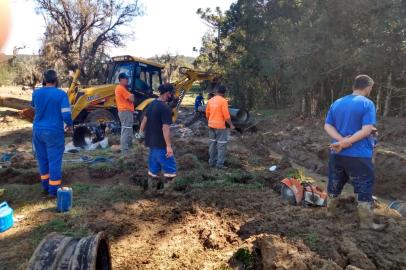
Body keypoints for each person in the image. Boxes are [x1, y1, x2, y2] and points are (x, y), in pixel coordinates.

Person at [324, 74, 386, 231]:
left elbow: (327, 126)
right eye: (371, 88)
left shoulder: (337, 102)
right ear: (368, 87)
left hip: (337, 153)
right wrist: (346, 142)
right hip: (359, 155)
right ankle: (366, 222)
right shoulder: (367, 104)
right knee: (364, 185)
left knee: (335, 182)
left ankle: (330, 213)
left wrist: (340, 141)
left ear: (354, 86)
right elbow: (365, 130)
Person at [32, 69, 73, 197]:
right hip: (54, 131)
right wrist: (70, 125)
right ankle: (53, 191)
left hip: (38, 131)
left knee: (43, 160)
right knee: (54, 161)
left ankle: (45, 186)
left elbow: (33, 107)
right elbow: (66, 114)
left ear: (44, 80)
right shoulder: (61, 94)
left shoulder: (36, 93)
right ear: (56, 80)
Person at [139, 83, 177, 193]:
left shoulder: (152, 104)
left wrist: (140, 136)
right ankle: (169, 194)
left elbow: (144, 121)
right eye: (171, 93)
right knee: (170, 169)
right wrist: (169, 146)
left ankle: (151, 190)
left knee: (153, 169)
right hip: (161, 145)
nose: (172, 96)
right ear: (167, 94)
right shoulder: (165, 109)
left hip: (151, 143)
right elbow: (165, 128)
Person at [205, 85, 235, 168]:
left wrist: (211, 121)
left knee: (212, 144)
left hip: (211, 125)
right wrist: (231, 125)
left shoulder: (210, 100)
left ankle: (211, 162)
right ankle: (219, 165)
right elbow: (226, 116)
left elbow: (207, 114)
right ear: (223, 93)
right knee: (221, 145)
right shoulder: (223, 101)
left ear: (217, 91)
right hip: (220, 126)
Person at [115, 73, 135, 152]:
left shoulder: (122, 88)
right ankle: (124, 149)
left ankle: (128, 146)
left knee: (128, 129)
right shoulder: (121, 88)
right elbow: (132, 99)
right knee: (126, 129)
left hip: (126, 111)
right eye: (126, 78)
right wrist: (132, 94)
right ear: (121, 79)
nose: (127, 80)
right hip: (125, 111)